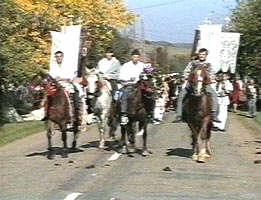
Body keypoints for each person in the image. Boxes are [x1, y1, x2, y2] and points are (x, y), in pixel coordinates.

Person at [174, 48, 220, 122]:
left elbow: (212, 73)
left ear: (206, 55)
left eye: (203, 54)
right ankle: (179, 114)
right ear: (198, 55)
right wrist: (185, 77)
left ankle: (214, 114)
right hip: (192, 83)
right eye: (200, 54)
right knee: (181, 95)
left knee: (214, 95)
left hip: (205, 84)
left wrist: (212, 79)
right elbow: (186, 71)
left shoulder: (208, 65)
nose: (201, 56)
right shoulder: (193, 63)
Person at [117, 49, 145, 125]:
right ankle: (124, 114)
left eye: (137, 57)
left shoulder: (142, 65)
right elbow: (121, 76)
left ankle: (150, 111)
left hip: (140, 85)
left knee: (149, 94)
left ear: (139, 57)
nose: (135, 58)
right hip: (129, 85)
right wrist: (126, 81)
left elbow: (147, 73)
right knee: (124, 95)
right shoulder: (126, 66)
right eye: (134, 57)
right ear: (131, 57)